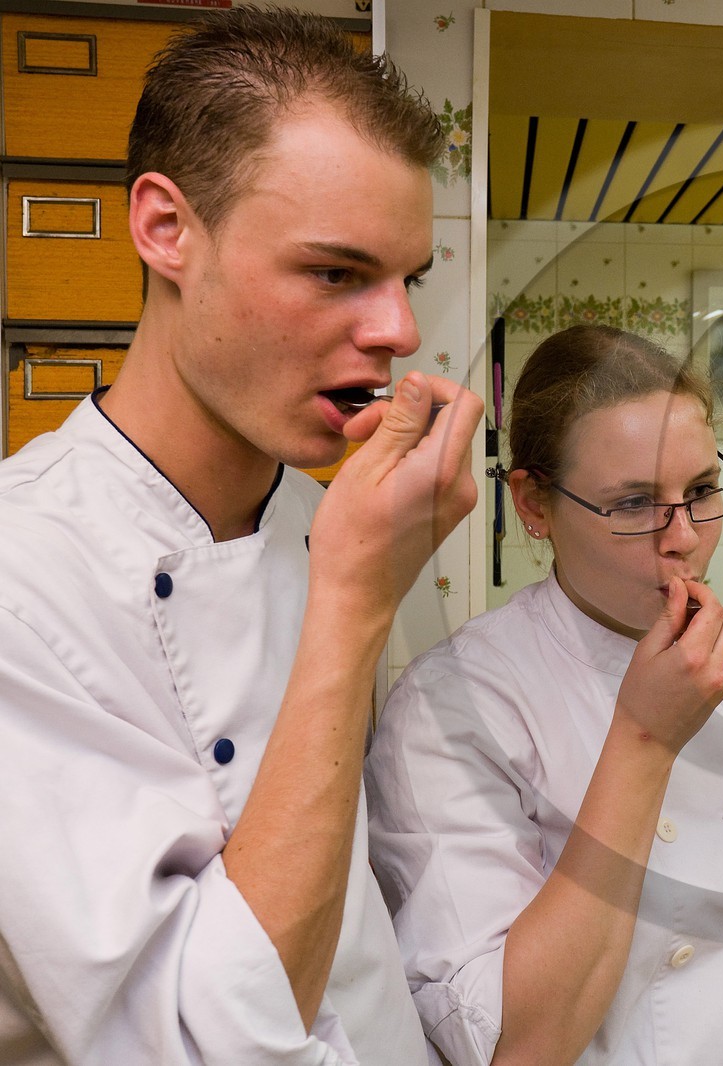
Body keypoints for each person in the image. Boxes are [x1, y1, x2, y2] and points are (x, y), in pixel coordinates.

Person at [0, 8, 482, 1062]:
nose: (397, 330)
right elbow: (195, 1040)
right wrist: (350, 604)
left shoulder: (341, 524)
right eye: (334, 272)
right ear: (167, 230)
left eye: (409, 280)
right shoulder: (21, 577)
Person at [365, 325, 723, 1066]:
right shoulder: (454, 707)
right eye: (634, 504)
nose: (684, 539)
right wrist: (644, 739)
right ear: (535, 505)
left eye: (700, 492)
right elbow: (512, 1046)